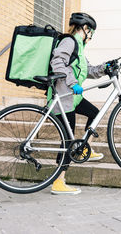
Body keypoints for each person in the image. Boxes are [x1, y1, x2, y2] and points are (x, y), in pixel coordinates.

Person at [48, 12, 107, 195]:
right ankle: (59, 182)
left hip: (73, 99)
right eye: (91, 32)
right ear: (85, 29)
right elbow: (57, 61)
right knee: (67, 140)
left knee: (94, 113)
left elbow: (89, 70)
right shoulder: (70, 41)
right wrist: (73, 82)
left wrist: (106, 68)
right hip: (63, 98)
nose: (91, 37)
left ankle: (82, 150)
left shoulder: (79, 48)